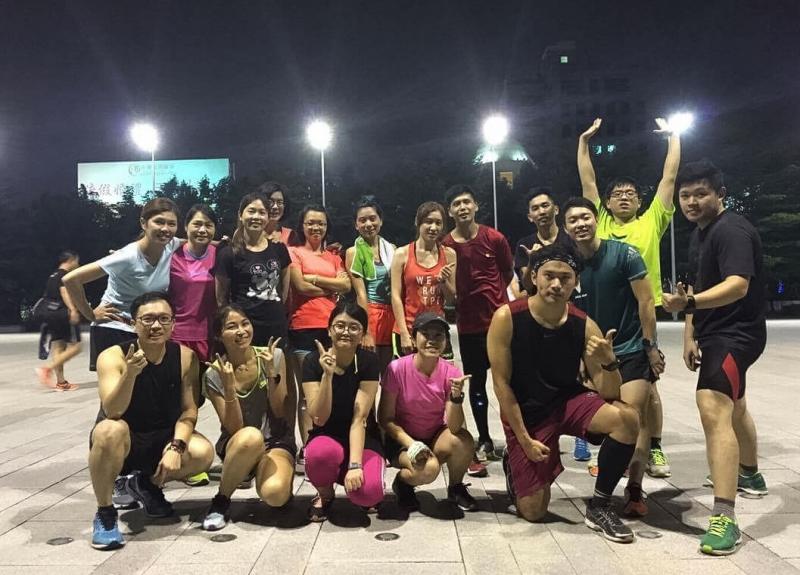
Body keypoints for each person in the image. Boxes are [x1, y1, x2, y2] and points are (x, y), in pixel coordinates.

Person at [488, 244, 640, 543]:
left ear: (576, 282)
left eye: (565, 277)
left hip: (566, 401)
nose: (556, 284)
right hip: (528, 414)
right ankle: (513, 462)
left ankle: (600, 506)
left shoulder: (584, 325)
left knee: (627, 418)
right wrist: (524, 440)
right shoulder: (507, 318)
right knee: (533, 511)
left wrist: (609, 362)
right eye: (549, 276)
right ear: (534, 276)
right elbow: (502, 385)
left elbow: (609, 392)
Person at [663, 160, 768, 556]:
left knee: (711, 404)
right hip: (715, 333)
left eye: (700, 194)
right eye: (685, 195)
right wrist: (689, 333)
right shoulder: (700, 233)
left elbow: (738, 285)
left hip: (736, 335)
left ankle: (725, 517)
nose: (691, 202)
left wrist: (689, 304)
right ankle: (750, 475)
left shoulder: (731, 230)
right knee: (733, 404)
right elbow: (694, 286)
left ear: (720, 194)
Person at [578, 117, 681, 478]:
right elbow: (588, 182)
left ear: (640, 200)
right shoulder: (601, 223)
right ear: (606, 204)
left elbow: (669, 180)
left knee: (647, 387)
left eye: (630, 194)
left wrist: (673, 138)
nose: (624, 197)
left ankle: (654, 447)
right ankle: (617, 445)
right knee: (605, 383)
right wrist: (583, 143)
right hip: (605, 314)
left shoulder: (652, 221)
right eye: (617, 194)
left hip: (642, 313)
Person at [88, 292, 214, 550]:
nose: (156, 325)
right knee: (108, 431)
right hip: (124, 440)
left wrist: (176, 447)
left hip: (161, 438)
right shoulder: (112, 357)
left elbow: (189, 411)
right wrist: (130, 374)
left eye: (164, 319)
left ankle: (146, 484)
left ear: (173, 324)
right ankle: (105, 512)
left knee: (203, 452)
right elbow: (113, 411)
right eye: (148, 319)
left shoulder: (185, 357)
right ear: (133, 323)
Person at [563, 197, 663, 517]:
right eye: (573, 220)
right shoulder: (568, 265)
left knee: (633, 417)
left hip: (630, 350)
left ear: (597, 220)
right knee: (604, 423)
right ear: (565, 228)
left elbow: (646, 302)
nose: (580, 224)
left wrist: (650, 346)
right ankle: (607, 471)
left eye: (585, 217)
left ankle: (633, 487)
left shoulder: (625, 254)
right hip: (591, 356)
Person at [200, 306, 293, 530]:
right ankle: (221, 501)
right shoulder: (214, 373)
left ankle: (266, 473)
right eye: (232, 326)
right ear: (219, 335)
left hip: (275, 442)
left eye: (245, 323)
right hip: (240, 444)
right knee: (250, 436)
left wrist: (271, 375)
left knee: (275, 495)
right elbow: (234, 427)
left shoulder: (272, 356)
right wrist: (229, 388)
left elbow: (280, 411)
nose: (241, 331)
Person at [63, 198, 182, 371]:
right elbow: (71, 279)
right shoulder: (127, 256)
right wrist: (90, 314)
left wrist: (222, 243)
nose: (165, 228)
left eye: (171, 224)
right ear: (143, 223)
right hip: (115, 329)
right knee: (117, 386)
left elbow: (196, 242)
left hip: (142, 328)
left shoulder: (171, 245)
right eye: (159, 222)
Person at [443, 185, 514, 475]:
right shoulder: (446, 245)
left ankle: (513, 436)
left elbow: (507, 272)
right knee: (477, 383)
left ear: (475, 206)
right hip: (469, 325)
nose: (462, 207)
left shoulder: (494, 238)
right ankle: (484, 438)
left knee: (506, 382)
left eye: (466, 202)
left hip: (498, 323)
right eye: (456, 204)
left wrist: (495, 300)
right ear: (450, 211)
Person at [379, 312, 478, 513]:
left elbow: (454, 427)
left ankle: (456, 487)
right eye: (426, 334)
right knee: (429, 469)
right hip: (401, 440)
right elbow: (385, 418)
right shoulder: (396, 369)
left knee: (464, 441)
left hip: (434, 435)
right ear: (414, 338)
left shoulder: (451, 373)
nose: (432, 340)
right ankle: (403, 484)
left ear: (446, 341)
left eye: (438, 335)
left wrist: (456, 397)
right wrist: (411, 444)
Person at [302, 300, 384, 521]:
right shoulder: (312, 362)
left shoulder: (369, 362)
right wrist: (327, 376)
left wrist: (355, 465)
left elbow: (360, 418)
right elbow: (319, 418)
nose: (346, 332)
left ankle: (353, 477)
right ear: (329, 330)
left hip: (363, 436)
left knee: (369, 493)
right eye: (340, 326)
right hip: (327, 434)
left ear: (362, 334)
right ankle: (325, 494)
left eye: (354, 327)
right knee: (319, 455)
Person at [288, 204, 351, 467]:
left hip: (332, 328)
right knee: (307, 392)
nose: (316, 227)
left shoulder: (334, 256)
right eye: (311, 223)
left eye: (321, 223)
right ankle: (308, 446)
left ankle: (332, 439)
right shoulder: (293, 252)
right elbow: (299, 286)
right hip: (303, 327)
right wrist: (329, 288)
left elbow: (346, 284)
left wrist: (313, 277)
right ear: (302, 226)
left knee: (333, 386)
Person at [215, 192, 291, 346]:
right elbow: (221, 298)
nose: (256, 217)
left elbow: (284, 291)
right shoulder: (228, 253)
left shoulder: (279, 249)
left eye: (262, 212)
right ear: (240, 215)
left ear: (268, 217)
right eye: (251, 211)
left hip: (276, 327)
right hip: (244, 330)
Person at [390, 201, 456, 357]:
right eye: (428, 221)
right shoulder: (402, 254)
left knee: (442, 373)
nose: (433, 227)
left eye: (438, 223)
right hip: (409, 329)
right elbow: (395, 296)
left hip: (437, 330)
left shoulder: (449, 254)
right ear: (418, 222)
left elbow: (451, 299)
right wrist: (404, 333)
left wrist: (443, 281)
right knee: (407, 373)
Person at [345, 197, 396, 375]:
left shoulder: (392, 249)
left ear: (381, 220)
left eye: (372, 218)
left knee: (390, 375)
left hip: (391, 315)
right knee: (369, 375)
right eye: (362, 220)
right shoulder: (353, 252)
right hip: (370, 314)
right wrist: (365, 331)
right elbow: (361, 294)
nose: (368, 224)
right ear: (356, 225)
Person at [169, 204, 218, 364]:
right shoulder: (171, 256)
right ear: (185, 226)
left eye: (208, 225)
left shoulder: (221, 254)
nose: (202, 230)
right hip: (176, 334)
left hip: (210, 335)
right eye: (197, 224)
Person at [35, 250, 82, 391]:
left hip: (50, 314)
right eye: (77, 261)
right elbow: (64, 291)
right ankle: (46, 369)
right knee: (76, 347)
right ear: (71, 260)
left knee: (58, 347)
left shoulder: (53, 275)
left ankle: (61, 382)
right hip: (62, 313)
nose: (78, 264)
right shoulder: (64, 275)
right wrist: (73, 310)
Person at [513, 187, 574, 295]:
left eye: (545, 206)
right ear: (530, 217)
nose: (541, 212)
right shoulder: (524, 245)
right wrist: (532, 261)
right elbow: (527, 286)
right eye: (535, 208)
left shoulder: (572, 238)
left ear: (556, 210)